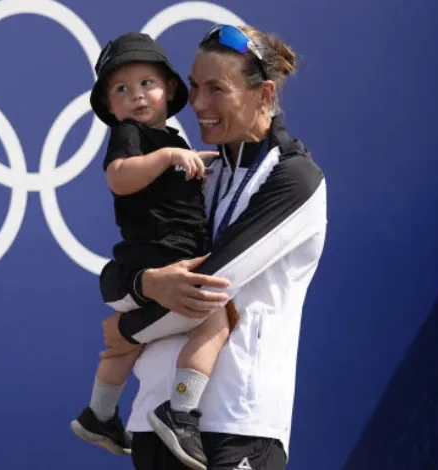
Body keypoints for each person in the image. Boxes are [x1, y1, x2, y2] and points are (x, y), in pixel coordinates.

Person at [100, 24, 327, 470]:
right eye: (195, 87)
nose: (199, 105)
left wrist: (125, 330)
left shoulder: (294, 179)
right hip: (153, 420)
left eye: (216, 90)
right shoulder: (198, 171)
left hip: (237, 424)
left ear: (263, 94)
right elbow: (124, 268)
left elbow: (206, 287)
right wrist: (145, 283)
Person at [70, 32, 238, 469]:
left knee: (122, 347)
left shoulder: (177, 142)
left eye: (147, 83)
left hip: (160, 264)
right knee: (217, 321)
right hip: (150, 264)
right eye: (122, 90)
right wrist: (165, 158)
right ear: (110, 107)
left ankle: (99, 415)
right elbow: (119, 178)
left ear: (169, 89)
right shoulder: (132, 136)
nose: (137, 96)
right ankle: (180, 411)